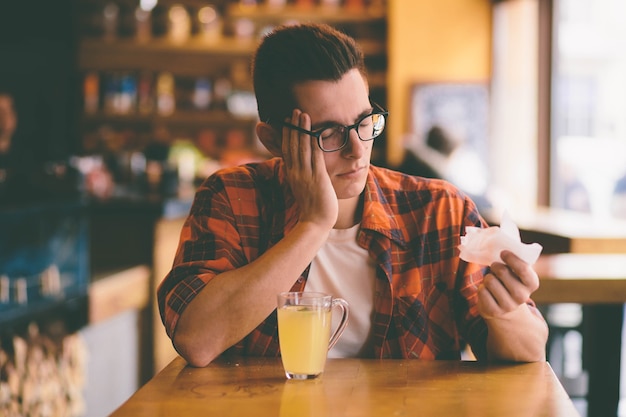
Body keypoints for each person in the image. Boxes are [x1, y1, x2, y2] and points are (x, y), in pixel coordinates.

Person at [157, 23, 548, 367]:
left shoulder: (439, 211)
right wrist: (312, 225)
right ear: (273, 140)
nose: (357, 149)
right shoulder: (232, 197)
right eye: (328, 133)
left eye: (364, 122)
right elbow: (197, 340)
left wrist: (505, 313)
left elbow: (532, 350)